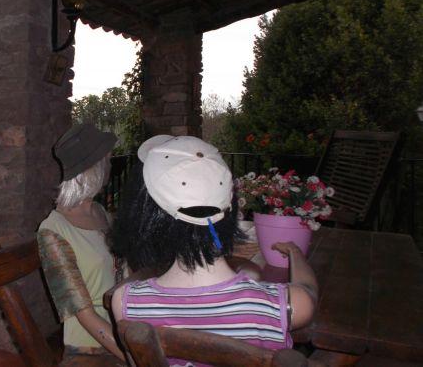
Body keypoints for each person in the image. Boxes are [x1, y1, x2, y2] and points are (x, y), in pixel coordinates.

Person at [110, 135, 318, 365]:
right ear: (231, 207)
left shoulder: (127, 303)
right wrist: (295, 253)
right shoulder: (284, 304)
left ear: (146, 216)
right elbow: (308, 289)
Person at [37, 124, 126, 364]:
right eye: (107, 160)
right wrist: (134, 356)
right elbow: (83, 314)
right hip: (91, 348)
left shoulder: (100, 212)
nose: (110, 166)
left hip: (123, 327)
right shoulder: (53, 230)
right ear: (93, 169)